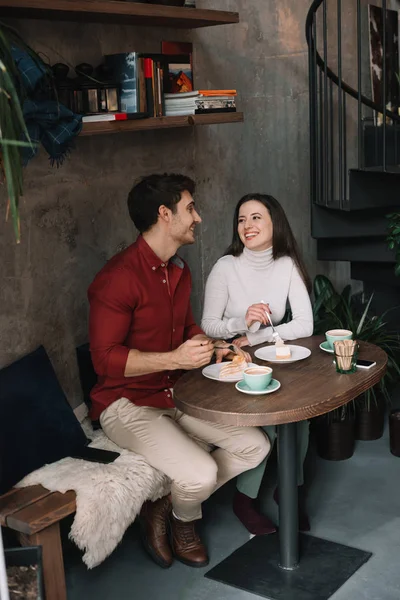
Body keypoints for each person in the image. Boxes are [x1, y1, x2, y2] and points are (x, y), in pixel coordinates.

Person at [88, 175, 269, 569]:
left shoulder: (179, 271)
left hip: (177, 393)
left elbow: (186, 329)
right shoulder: (116, 278)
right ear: (164, 214)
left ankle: (167, 505)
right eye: (190, 208)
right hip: (125, 403)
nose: (198, 218)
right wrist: (176, 359)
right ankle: (186, 524)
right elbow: (103, 359)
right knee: (202, 472)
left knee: (256, 446)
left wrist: (215, 346)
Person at [201, 193, 314, 535]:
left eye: (255, 218)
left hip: (271, 356)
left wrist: (258, 335)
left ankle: (289, 492)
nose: (247, 226)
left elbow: (305, 325)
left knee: (301, 415)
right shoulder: (226, 267)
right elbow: (208, 325)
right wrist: (240, 323)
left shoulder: (286, 265)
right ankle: (244, 499)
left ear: (274, 222)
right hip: (235, 363)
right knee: (264, 418)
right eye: (241, 219)